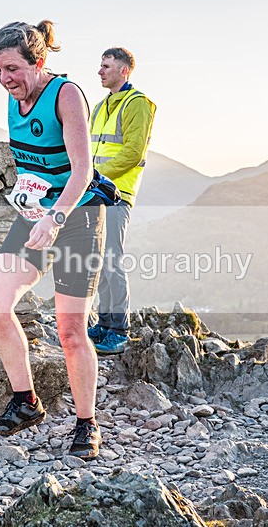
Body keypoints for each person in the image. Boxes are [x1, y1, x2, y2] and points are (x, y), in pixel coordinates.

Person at [0, 20, 106, 460]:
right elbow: (33, 163)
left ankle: (86, 424)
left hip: (75, 217)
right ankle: (26, 402)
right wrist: (30, 201)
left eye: (12, 68)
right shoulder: (13, 98)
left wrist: (53, 219)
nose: (4, 79)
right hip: (36, 214)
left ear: (38, 62)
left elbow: (82, 171)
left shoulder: (66, 95)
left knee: (70, 330)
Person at [88, 47, 156, 355]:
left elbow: (133, 153)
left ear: (124, 70)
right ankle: (104, 323)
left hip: (116, 194)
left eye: (106, 66)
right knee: (98, 261)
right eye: (100, 66)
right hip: (94, 191)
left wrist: (95, 175)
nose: (100, 71)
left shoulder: (137, 104)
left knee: (112, 259)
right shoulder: (101, 106)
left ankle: (118, 329)